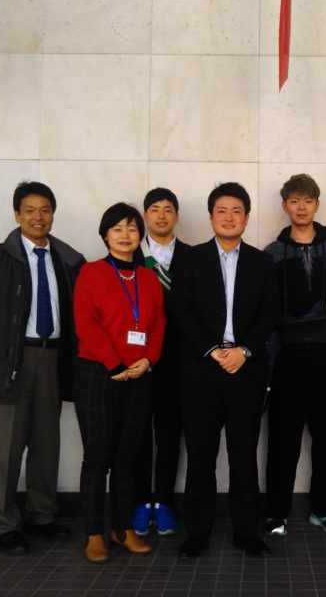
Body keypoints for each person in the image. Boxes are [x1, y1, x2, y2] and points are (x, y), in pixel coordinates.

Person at [0, 181, 85, 556]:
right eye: (29, 210)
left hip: (53, 358)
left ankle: (41, 515)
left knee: (47, 442)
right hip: (12, 363)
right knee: (6, 447)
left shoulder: (67, 260)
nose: (38, 217)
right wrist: (0, 350)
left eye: (45, 210)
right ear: (17, 215)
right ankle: (3, 523)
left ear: (53, 215)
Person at [170, 182, 280, 558]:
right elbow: (180, 310)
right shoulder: (190, 259)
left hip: (245, 372)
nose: (229, 217)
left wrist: (244, 351)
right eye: (222, 210)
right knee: (200, 456)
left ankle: (247, 532)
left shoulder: (262, 263)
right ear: (210, 216)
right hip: (201, 372)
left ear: (246, 218)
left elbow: (270, 313)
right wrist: (213, 350)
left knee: (243, 456)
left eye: (237, 211)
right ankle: (197, 533)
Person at [73, 203, 166, 563]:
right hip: (99, 374)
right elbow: (86, 323)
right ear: (105, 235)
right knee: (98, 458)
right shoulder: (92, 273)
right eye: (117, 229)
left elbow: (157, 324)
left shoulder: (148, 277)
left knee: (128, 457)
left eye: (131, 228)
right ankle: (94, 532)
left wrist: (149, 359)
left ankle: (123, 528)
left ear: (140, 234)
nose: (125, 235)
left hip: (139, 375)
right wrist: (114, 364)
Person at [263, 174, 326, 537]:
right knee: (282, 440)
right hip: (285, 356)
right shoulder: (272, 252)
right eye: (294, 201)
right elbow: (265, 305)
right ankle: (276, 513)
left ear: (317, 205)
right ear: (284, 206)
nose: (301, 207)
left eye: (308, 201)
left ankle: (325, 510)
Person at [132, 188, 191, 537]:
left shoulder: (193, 256)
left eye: (168, 209)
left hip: (178, 360)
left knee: (170, 435)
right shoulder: (130, 254)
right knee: (138, 435)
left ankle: (165, 503)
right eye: (154, 209)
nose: (162, 215)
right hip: (137, 359)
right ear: (145, 216)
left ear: (177, 216)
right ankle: (141, 503)